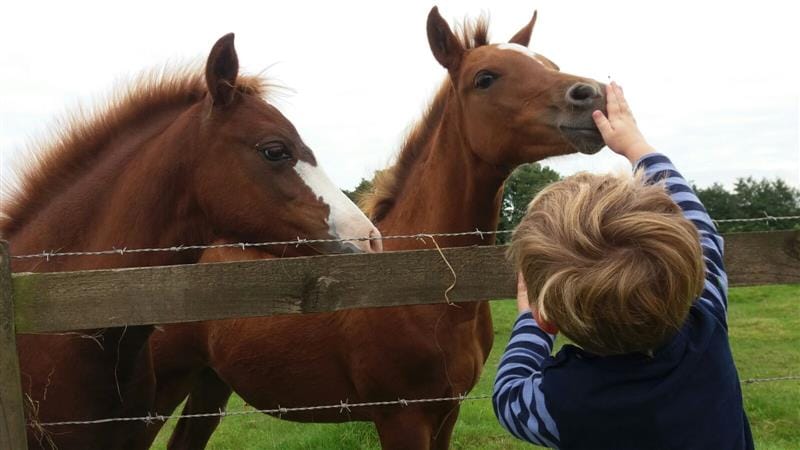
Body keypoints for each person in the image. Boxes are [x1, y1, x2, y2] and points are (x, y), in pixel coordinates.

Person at [492, 82, 753, 449]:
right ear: (693, 272)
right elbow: (701, 226)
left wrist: (530, 325)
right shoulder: (706, 328)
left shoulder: (555, 404)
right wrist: (636, 146)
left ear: (546, 315)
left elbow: (508, 392)